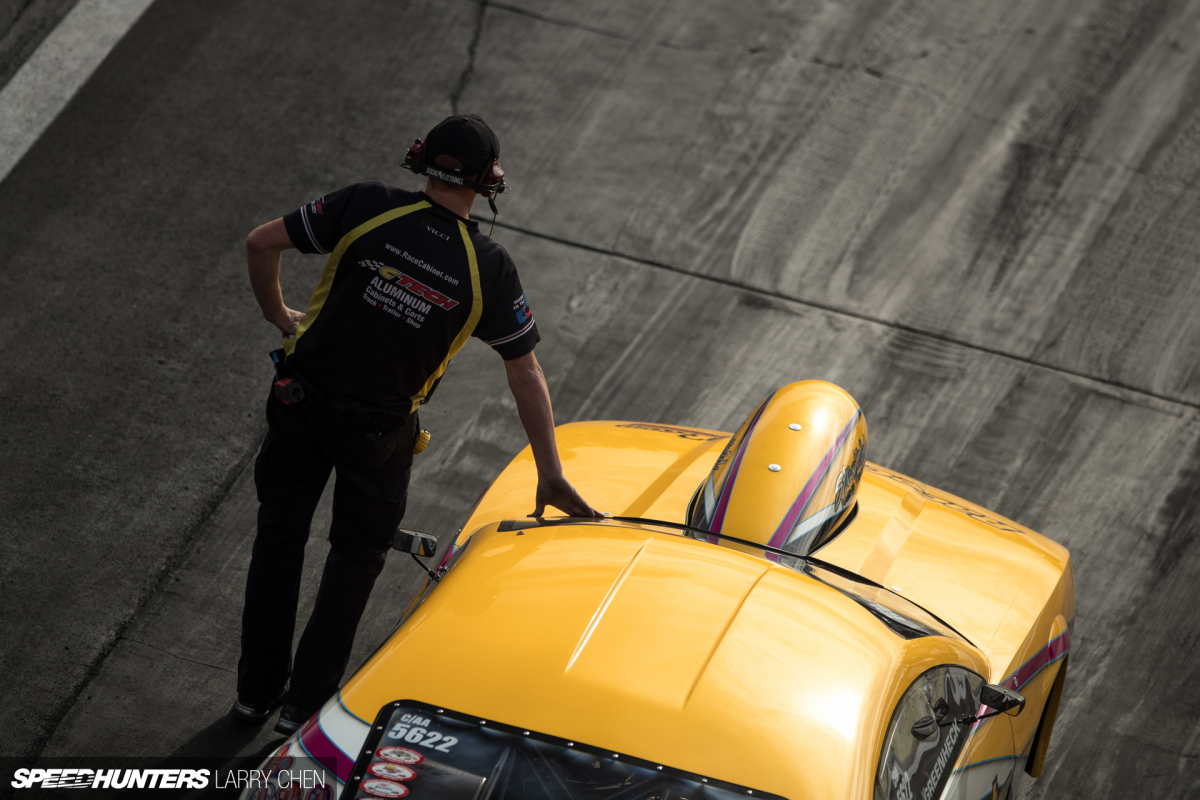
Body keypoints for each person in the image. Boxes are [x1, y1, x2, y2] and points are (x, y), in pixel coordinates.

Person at [231, 114, 599, 734]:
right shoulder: (489, 268)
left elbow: (260, 242)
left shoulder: (364, 207)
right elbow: (525, 373)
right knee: (354, 558)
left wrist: (280, 317)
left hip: (300, 405)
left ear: (420, 157)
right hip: (379, 436)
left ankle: (253, 695)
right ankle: (301, 708)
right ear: (490, 181)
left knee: (278, 540)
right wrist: (550, 472)